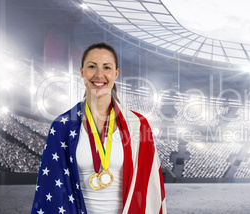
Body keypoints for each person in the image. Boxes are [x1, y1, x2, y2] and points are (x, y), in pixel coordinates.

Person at [31, 42, 166, 214]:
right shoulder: (61, 126)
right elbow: (50, 189)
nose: (99, 74)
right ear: (82, 72)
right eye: (92, 67)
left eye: (107, 67)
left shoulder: (138, 124)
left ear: (116, 73)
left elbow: (150, 189)